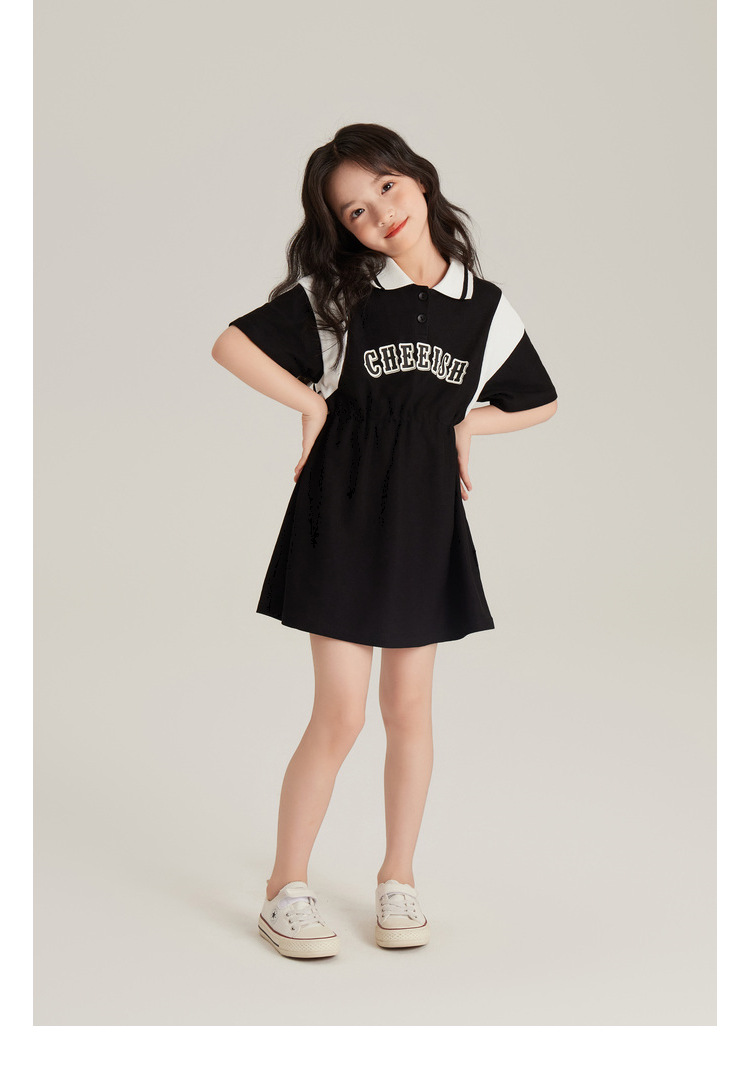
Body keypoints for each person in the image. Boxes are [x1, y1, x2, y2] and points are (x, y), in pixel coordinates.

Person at [211, 123, 558, 960]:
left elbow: (540, 398)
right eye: (355, 211)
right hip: (340, 512)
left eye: (386, 189)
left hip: (423, 520)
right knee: (340, 712)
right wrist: (312, 403)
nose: (378, 214)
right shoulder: (341, 295)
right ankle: (284, 886)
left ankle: (397, 877)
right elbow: (231, 345)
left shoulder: (485, 307)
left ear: (419, 180)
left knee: (409, 711)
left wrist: (470, 424)